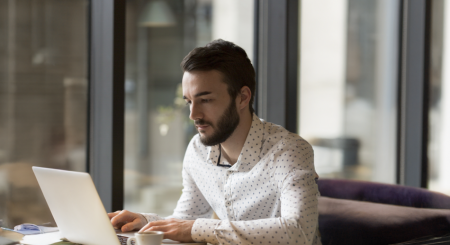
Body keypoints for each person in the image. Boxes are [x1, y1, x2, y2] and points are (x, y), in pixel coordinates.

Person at [109, 39, 321, 245]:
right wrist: (148, 223)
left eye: (205, 100)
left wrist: (196, 229)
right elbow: (187, 218)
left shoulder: (289, 151)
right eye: (189, 101)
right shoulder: (197, 149)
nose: (193, 114)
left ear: (242, 98)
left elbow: (298, 232)